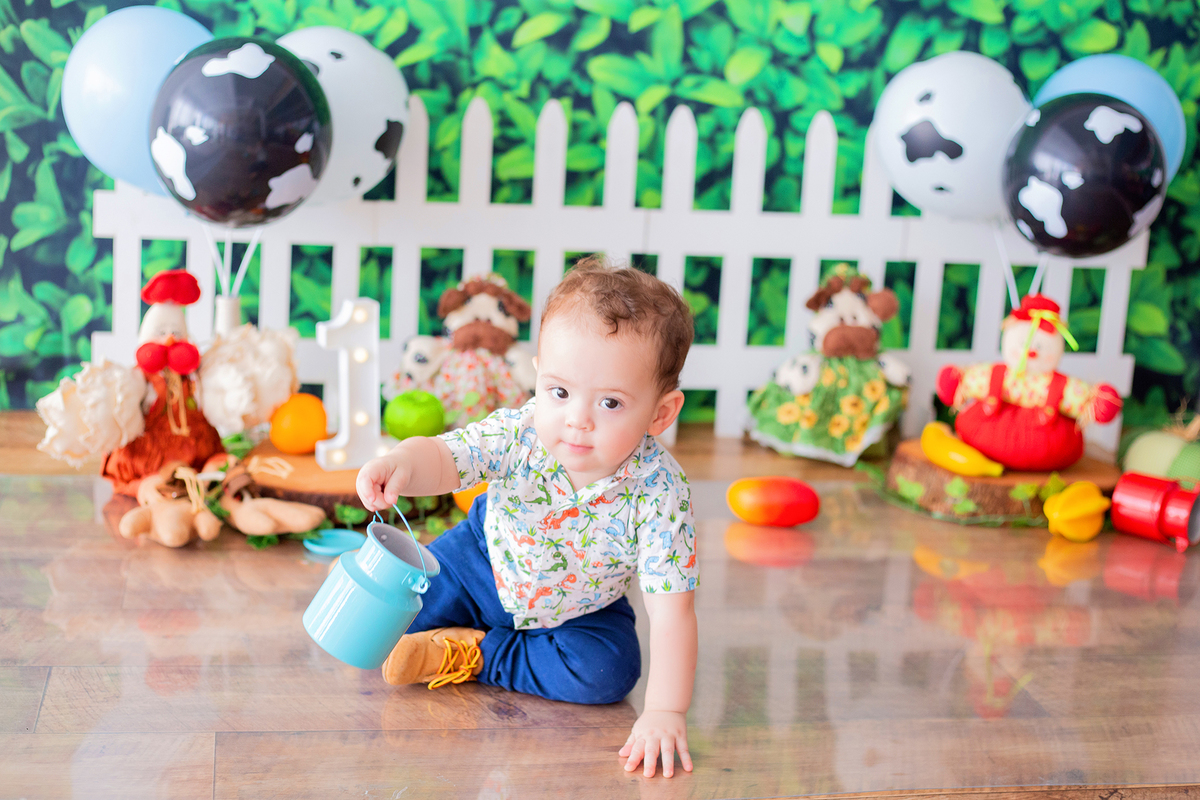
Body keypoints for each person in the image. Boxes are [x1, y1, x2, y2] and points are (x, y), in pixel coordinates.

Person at [356, 257, 699, 778]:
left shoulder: (661, 493)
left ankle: (478, 655)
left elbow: (673, 613)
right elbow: (450, 457)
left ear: (660, 413)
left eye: (610, 402)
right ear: (537, 376)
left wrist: (664, 711)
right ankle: (461, 633)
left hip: (581, 608)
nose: (576, 419)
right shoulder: (518, 433)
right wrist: (402, 462)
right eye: (559, 393)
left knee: (609, 672)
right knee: (396, 615)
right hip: (482, 563)